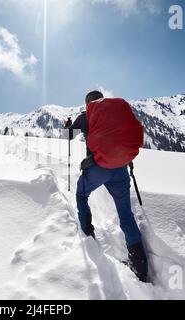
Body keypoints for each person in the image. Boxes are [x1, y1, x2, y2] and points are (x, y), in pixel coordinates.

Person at [65, 90, 148, 282]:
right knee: (126, 216)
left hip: (98, 167)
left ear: (88, 103)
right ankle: (141, 268)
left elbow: (67, 136)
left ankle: (88, 234)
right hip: (120, 169)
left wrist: (68, 126)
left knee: (81, 194)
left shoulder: (86, 116)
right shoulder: (115, 113)